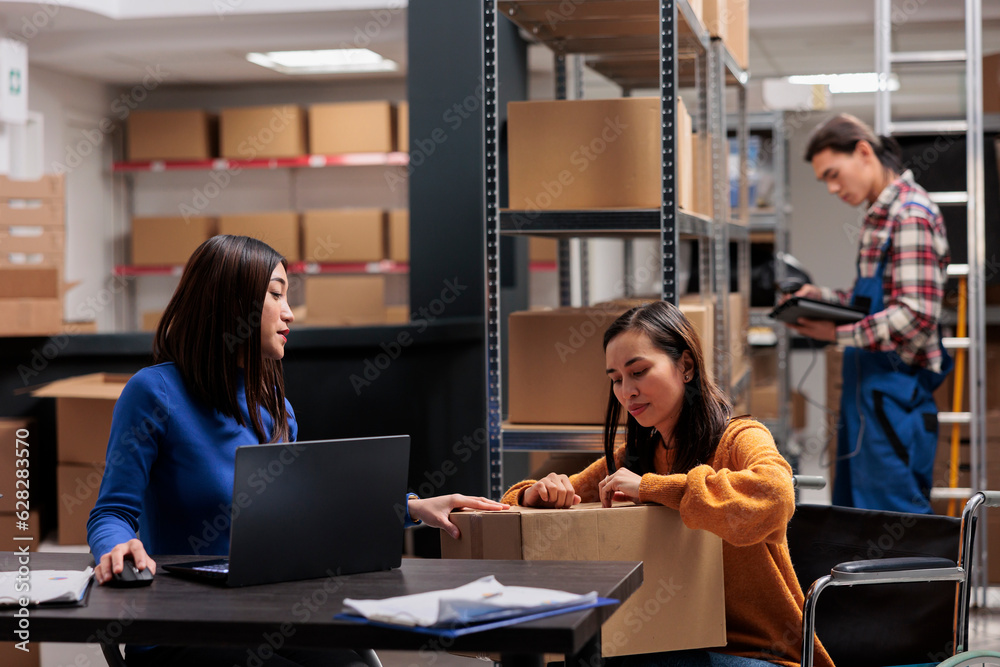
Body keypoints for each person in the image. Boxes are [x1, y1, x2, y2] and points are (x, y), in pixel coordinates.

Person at [87, 234, 506, 667]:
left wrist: (412, 506)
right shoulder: (153, 393)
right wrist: (117, 549)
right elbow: (110, 513)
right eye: (275, 295)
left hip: (266, 616)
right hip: (182, 631)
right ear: (233, 305)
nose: (289, 313)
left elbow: (307, 515)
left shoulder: (275, 409)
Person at [501, 301, 834, 667]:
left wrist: (653, 488)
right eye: (615, 379)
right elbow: (529, 498)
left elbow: (775, 496)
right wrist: (536, 493)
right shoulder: (638, 454)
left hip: (759, 655)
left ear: (686, 366)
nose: (627, 392)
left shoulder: (740, 437)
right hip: (671, 641)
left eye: (639, 371)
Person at [789, 113, 952, 514]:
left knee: (894, 522)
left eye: (834, 173)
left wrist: (836, 334)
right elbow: (871, 300)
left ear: (863, 152)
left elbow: (916, 315)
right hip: (867, 397)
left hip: (895, 397)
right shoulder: (879, 217)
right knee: (855, 518)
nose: (831, 188)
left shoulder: (910, 215)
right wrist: (822, 298)